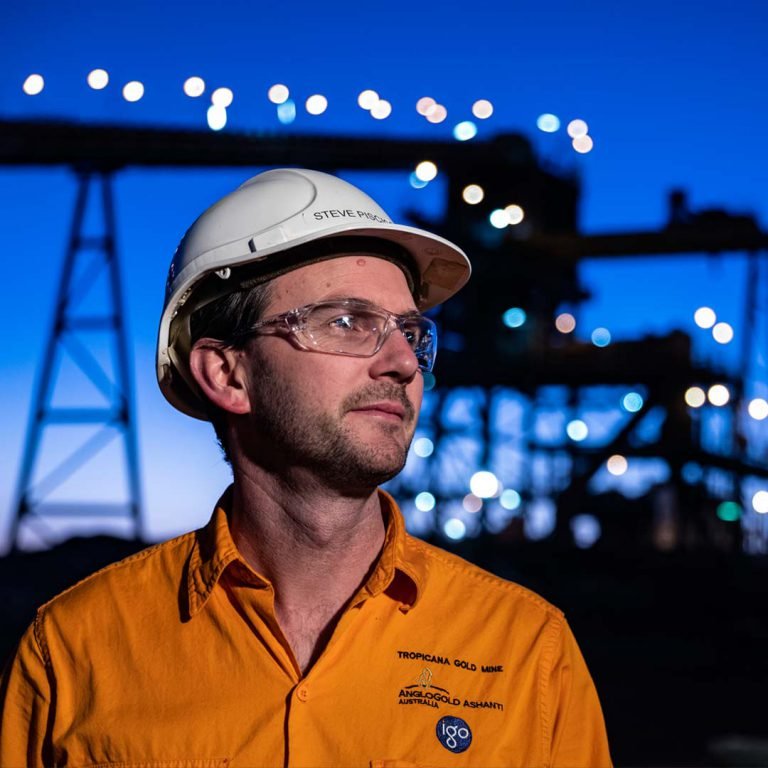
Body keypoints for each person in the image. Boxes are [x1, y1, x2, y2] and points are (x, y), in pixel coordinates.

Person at [0, 169, 611, 766]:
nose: (403, 362)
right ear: (228, 374)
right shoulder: (74, 653)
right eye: (347, 323)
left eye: (409, 331)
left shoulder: (529, 652)